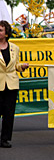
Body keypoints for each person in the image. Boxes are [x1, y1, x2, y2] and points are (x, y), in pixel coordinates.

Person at [0, 20, 29, 148]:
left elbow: (16, 65)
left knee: (9, 112)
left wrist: (22, 67)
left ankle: (5, 139)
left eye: (0, 30)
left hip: (11, 83)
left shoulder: (14, 48)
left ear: (6, 33)